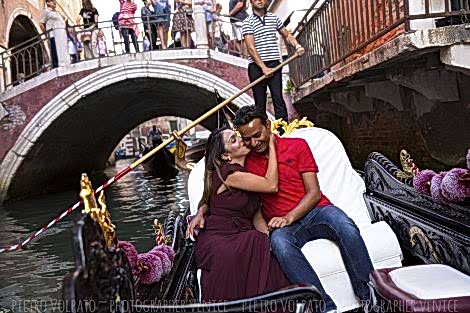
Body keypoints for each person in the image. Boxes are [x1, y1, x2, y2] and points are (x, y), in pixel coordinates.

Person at [227, 106, 373, 313]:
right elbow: (220, 176)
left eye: (257, 135)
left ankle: (369, 297)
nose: (253, 143)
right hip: (282, 225)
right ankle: (324, 307)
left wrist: (288, 217)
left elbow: (313, 193)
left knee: (345, 224)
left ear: (268, 126)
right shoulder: (247, 161)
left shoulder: (297, 145)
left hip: (316, 210)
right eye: (247, 139)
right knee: (280, 243)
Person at [186, 127, 289, 301]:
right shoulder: (229, 173)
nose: (241, 140)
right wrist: (271, 146)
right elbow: (271, 185)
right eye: (233, 140)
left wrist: (269, 238)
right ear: (226, 156)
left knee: (262, 243)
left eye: (238, 137)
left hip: (238, 233)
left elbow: (255, 215)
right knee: (254, 241)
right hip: (221, 236)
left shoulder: (245, 174)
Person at [242, 0, 305, 122]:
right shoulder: (247, 22)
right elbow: (251, 48)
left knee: (278, 100)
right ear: (251, 1)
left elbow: (287, 35)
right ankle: (263, 134)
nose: (260, 1)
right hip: (256, 67)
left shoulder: (274, 18)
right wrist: (263, 68)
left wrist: (297, 46)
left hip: (274, 64)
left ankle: (282, 131)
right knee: (260, 104)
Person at [40, 0, 69, 68]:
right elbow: (41, 23)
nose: (54, 2)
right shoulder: (46, 11)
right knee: (54, 50)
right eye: (52, 1)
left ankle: (63, 63)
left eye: (55, 1)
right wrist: (46, 33)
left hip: (61, 34)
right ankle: (56, 66)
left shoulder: (57, 12)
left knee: (61, 50)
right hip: (52, 34)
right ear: (47, 3)